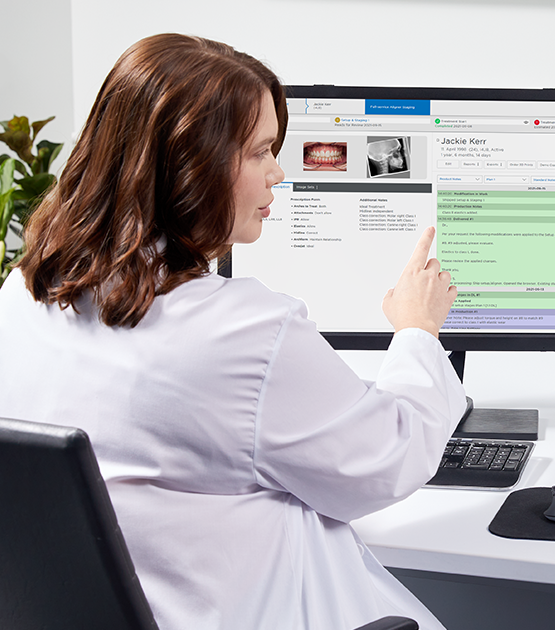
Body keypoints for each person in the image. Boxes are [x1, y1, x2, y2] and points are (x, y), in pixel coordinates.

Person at [0, 34, 465, 630]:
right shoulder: (244, 333)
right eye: (259, 152)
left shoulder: (23, 295)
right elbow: (387, 462)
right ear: (189, 165)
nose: (278, 172)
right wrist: (418, 330)